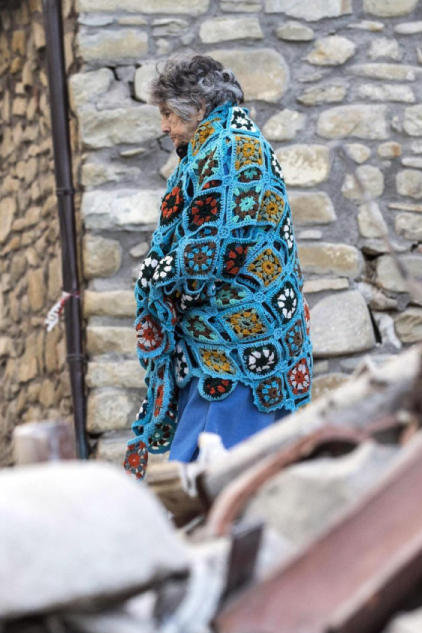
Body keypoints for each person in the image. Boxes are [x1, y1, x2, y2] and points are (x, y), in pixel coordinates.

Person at [124, 54, 312, 480]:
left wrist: (156, 279)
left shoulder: (233, 148)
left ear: (199, 107)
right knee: (214, 477)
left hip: (241, 348)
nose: (164, 126)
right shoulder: (215, 146)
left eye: (169, 114)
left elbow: (217, 246)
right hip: (222, 346)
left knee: (219, 480)